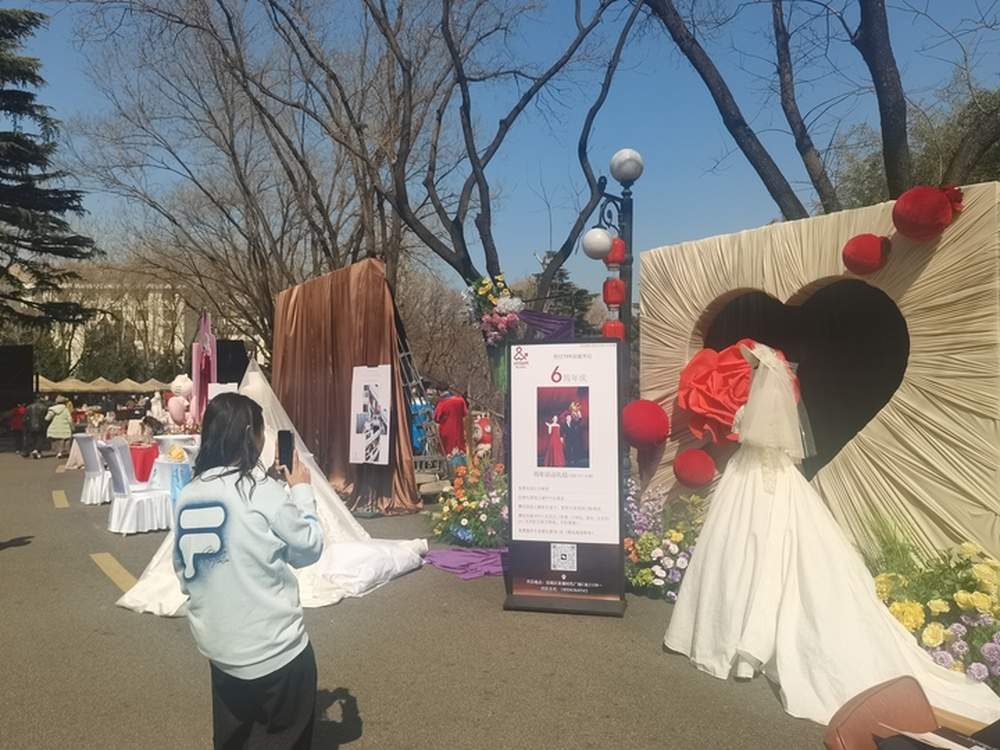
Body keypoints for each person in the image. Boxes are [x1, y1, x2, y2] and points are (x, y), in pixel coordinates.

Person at [664, 341, 1000, 725]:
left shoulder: (749, 407)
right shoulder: (778, 403)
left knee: (746, 549)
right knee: (761, 549)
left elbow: (744, 436)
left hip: (750, 478)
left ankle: (734, 637)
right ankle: (744, 640)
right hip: (773, 477)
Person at [173, 392, 323, 749]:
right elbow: (309, 548)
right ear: (249, 436)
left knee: (234, 738)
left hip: (220, 648)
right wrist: (301, 491)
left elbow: (181, 568)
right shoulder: (263, 492)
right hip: (274, 649)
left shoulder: (188, 494)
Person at [434, 390, 468, 456]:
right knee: (460, 451)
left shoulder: (442, 403)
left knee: (447, 452)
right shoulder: (460, 401)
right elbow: (465, 415)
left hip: (446, 432)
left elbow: (436, 419)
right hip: (459, 431)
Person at [45, 395, 74, 459]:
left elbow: (47, 418)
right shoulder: (66, 410)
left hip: (54, 428)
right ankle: (62, 452)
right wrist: (72, 428)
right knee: (63, 440)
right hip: (64, 428)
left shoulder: (52, 409)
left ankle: (58, 452)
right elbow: (70, 420)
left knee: (56, 440)